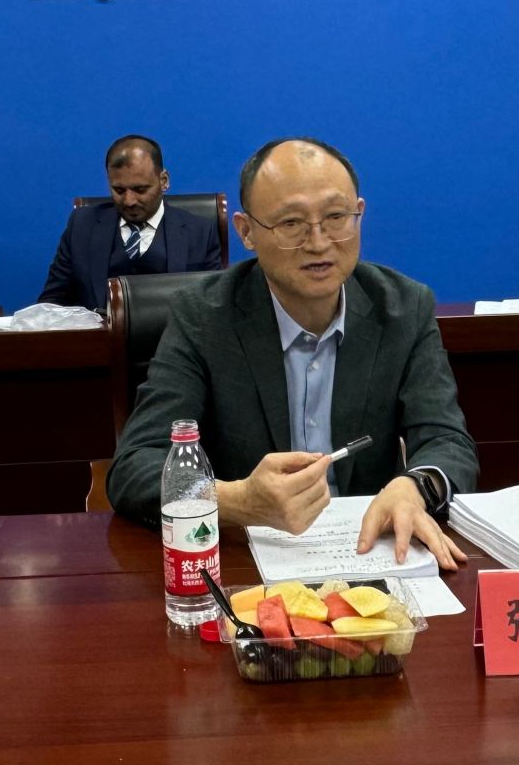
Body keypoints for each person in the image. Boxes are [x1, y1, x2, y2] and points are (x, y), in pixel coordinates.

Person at [106, 138, 479, 568]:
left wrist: (415, 487)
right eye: (291, 223)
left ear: (359, 213)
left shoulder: (404, 308)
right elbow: (135, 465)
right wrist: (235, 499)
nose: (319, 242)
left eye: (336, 217)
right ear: (246, 232)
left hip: (370, 552)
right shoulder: (204, 317)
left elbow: (447, 440)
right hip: (244, 561)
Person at [37, 135, 225, 310]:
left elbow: (213, 308)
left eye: (140, 189)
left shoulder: (200, 232)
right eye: (119, 190)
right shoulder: (82, 226)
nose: (129, 201)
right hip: (101, 334)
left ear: (164, 181)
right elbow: (51, 304)